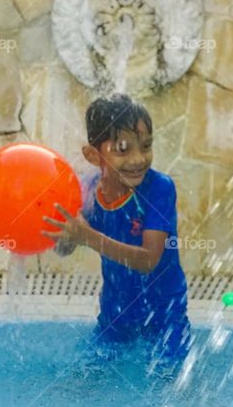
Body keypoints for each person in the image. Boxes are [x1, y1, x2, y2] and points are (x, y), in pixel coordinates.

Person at [41, 93, 192, 372]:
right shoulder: (87, 193)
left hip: (165, 315)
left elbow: (149, 260)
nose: (138, 159)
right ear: (93, 154)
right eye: (123, 150)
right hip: (116, 315)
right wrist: (61, 233)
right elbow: (64, 249)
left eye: (145, 146)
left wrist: (87, 237)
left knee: (168, 381)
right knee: (81, 378)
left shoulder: (159, 189)